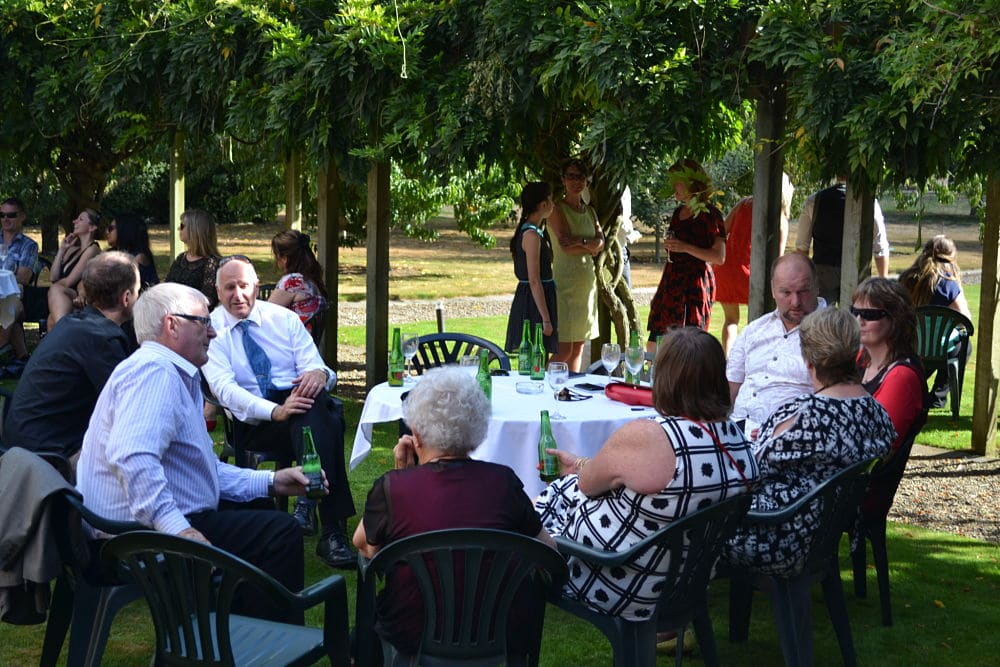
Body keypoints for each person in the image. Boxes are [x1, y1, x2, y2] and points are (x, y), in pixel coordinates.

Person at [75, 282, 316, 623]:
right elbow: (132, 457)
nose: (213, 333)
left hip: (139, 525)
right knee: (280, 533)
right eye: (204, 322)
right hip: (132, 537)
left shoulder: (170, 371)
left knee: (260, 507)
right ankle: (262, 642)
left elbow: (201, 469)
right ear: (172, 325)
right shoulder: (155, 372)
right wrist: (177, 529)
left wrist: (272, 481)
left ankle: (231, 635)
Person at [534, 327, 759, 621]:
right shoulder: (736, 440)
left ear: (663, 378)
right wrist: (579, 464)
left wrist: (579, 470)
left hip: (618, 579)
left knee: (540, 510)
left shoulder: (653, 438)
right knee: (561, 492)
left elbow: (587, 485)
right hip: (687, 581)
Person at [353, 367, 554, 660]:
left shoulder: (394, 488)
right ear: (476, 430)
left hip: (415, 631)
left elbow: (366, 547)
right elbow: (547, 550)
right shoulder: (503, 482)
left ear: (416, 434)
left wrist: (401, 474)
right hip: (500, 629)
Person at [203, 255, 356, 568]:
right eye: (229, 287)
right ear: (218, 292)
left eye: (244, 286)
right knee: (326, 419)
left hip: (299, 408)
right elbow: (225, 390)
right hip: (255, 422)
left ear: (256, 286)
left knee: (313, 407)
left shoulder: (283, 319)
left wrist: (320, 375)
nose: (238, 295)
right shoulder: (211, 330)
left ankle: (318, 514)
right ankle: (331, 530)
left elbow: (315, 366)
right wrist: (275, 411)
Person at [721, 307, 895, 576]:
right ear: (856, 353)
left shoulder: (801, 416)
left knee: (689, 514)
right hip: (822, 537)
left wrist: (766, 438)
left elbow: (748, 475)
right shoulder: (877, 414)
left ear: (809, 361)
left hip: (772, 534)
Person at [3, 252, 139, 470]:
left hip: (20, 445)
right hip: (47, 459)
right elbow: (129, 407)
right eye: (138, 291)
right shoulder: (101, 338)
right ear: (126, 298)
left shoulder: (74, 324)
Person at [851, 278, 927, 516]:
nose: (859, 320)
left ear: (896, 320)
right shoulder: (861, 359)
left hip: (858, 491)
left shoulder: (901, 376)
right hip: (841, 478)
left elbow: (876, 448)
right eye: (855, 312)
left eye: (870, 314)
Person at [727, 253, 825, 431]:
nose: (795, 302)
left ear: (816, 287)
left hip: (792, 436)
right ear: (773, 290)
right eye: (786, 292)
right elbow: (730, 387)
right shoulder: (754, 330)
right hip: (736, 430)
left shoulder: (832, 334)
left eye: (803, 291)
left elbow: (835, 402)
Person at [646, 159, 726, 347]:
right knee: (656, 341)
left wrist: (685, 247)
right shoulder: (678, 213)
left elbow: (719, 257)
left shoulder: (710, 214)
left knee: (688, 344)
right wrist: (672, 246)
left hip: (695, 284)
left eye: (677, 182)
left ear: (691, 182)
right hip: (672, 280)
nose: (673, 186)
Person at [715, 174, 793, 356]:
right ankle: (754, 360)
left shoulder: (743, 203)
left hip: (726, 269)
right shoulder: (780, 218)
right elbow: (778, 258)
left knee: (731, 320)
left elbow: (722, 230)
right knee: (759, 321)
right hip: (752, 273)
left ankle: (728, 362)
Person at [898, 235, 973, 408]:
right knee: (963, 346)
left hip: (909, 345)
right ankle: (938, 397)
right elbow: (965, 319)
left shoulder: (906, 278)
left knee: (927, 345)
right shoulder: (948, 284)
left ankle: (916, 388)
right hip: (938, 350)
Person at [546, 158, 604, 371]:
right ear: (563, 180)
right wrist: (590, 245)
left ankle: (570, 386)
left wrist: (579, 241)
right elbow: (565, 247)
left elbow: (601, 244)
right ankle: (546, 385)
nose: (576, 181)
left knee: (578, 347)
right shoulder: (556, 209)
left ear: (586, 180)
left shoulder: (590, 212)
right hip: (564, 285)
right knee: (563, 350)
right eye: (571, 176)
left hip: (586, 285)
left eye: (580, 177)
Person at [795, 178, 890, 304]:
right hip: (856, 269)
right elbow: (880, 246)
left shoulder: (814, 200)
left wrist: (803, 279)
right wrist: (884, 282)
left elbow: (802, 247)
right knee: (854, 313)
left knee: (822, 315)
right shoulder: (868, 202)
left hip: (824, 272)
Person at [504, 182, 558, 355]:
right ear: (543, 205)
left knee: (539, 355)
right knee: (534, 354)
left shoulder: (535, 232)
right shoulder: (531, 236)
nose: (553, 204)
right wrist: (546, 319)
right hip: (533, 303)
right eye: (551, 200)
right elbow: (534, 280)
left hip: (538, 298)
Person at [47, 208, 103, 331]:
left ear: (92, 227)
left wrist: (54, 287)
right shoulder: (72, 250)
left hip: (81, 298)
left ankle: (63, 333)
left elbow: (69, 282)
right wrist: (62, 250)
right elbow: (53, 277)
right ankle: (62, 335)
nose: (74, 222)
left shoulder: (92, 250)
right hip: (65, 296)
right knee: (51, 320)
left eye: (80, 219)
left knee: (55, 290)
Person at [0, 197, 39, 367]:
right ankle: (22, 356)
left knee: (7, 309)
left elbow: (23, 278)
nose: (5, 219)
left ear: (22, 216)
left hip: (17, 296)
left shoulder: (28, 245)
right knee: (8, 316)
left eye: (11, 215)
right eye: (2, 215)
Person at [268, 229, 327, 333]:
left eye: (276, 255)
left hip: (290, 340)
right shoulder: (310, 278)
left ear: (284, 258)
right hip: (305, 339)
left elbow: (265, 313)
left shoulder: (293, 281)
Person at [164, 208, 221, 308]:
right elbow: (167, 287)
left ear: (194, 230)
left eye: (182, 226)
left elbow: (207, 300)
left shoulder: (212, 263)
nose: (179, 229)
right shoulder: (181, 258)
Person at [106, 213, 159, 289]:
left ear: (125, 230)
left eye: (110, 228)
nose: (107, 232)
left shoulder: (138, 258)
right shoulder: (111, 254)